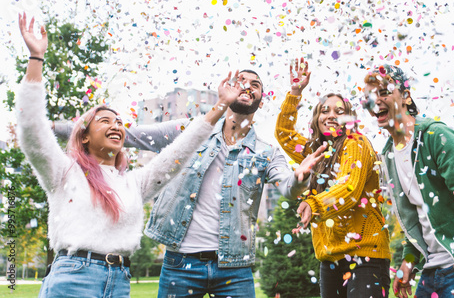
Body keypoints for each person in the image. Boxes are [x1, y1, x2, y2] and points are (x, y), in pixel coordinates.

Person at [16, 12, 241, 298]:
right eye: (105, 121)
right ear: (83, 135)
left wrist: (221, 104)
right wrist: (36, 59)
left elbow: (178, 153)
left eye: (120, 123)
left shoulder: (134, 183)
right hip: (73, 279)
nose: (116, 126)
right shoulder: (63, 171)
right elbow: (31, 129)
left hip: (120, 281)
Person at [55, 68, 326, 296]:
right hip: (180, 262)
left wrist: (301, 178)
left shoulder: (267, 152)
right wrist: (53, 129)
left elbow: (288, 187)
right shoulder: (188, 131)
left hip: (235, 266)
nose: (247, 86)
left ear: (260, 100)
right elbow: (130, 135)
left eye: (255, 84)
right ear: (228, 90)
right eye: (241, 81)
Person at [362, 64, 454, 298]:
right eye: (369, 97)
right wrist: (408, 260)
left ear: (405, 96)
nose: (376, 101)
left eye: (384, 92)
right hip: (431, 272)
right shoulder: (388, 154)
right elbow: (415, 216)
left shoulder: (436, 137)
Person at [275, 58, 391, 298]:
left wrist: (313, 203)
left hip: (365, 257)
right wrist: (295, 92)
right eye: (324, 110)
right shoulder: (317, 152)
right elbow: (284, 134)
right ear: (317, 117)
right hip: (329, 258)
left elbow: (348, 187)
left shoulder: (356, 143)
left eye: (339, 111)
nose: (330, 115)